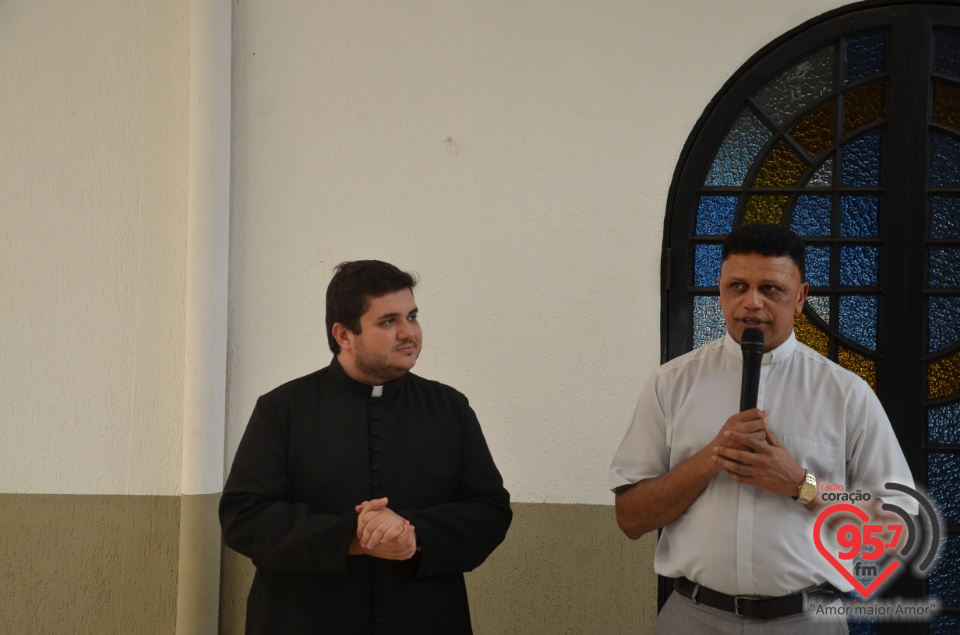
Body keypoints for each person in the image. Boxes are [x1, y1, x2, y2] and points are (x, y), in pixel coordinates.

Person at [609, 224, 916, 634]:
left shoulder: (846, 394)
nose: (751, 303)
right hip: (693, 617)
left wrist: (801, 485)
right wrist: (711, 457)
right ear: (720, 290)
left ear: (801, 298)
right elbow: (630, 518)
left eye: (771, 289)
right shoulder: (671, 384)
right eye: (737, 286)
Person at [220, 260, 512, 634]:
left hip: (424, 618)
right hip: (303, 621)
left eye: (412, 316)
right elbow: (243, 519)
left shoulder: (449, 407)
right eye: (388, 321)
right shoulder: (283, 409)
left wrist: (413, 533)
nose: (409, 333)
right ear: (344, 334)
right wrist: (353, 538)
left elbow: (489, 511)